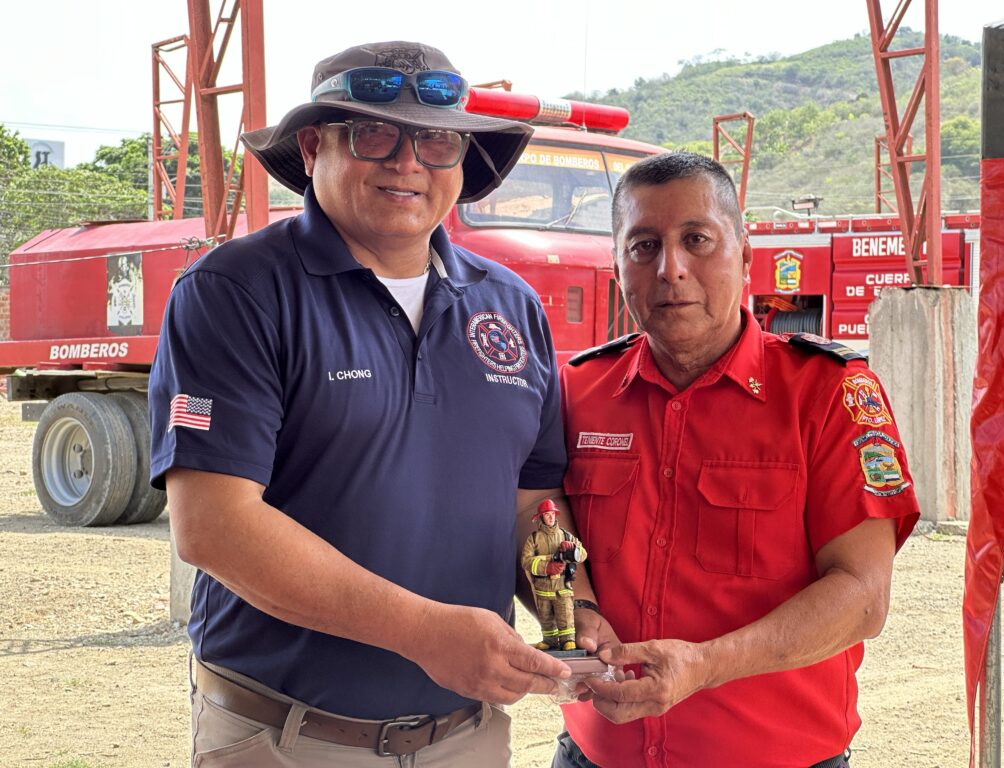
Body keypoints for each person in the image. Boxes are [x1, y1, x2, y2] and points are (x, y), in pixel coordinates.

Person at [149, 41, 573, 767]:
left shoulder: (511, 306)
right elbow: (215, 527)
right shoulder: (238, 292)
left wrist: (571, 622)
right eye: (375, 133)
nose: (408, 162)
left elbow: (533, 506)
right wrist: (425, 631)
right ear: (313, 148)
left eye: (437, 140)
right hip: (290, 738)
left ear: (462, 159)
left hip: (468, 739)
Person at [552, 152, 921, 768]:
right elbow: (543, 531)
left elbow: (862, 596)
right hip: (595, 754)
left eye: (697, 239)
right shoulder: (577, 392)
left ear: (746, 257)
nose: (671, 269)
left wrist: (705, 666)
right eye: (643, 246)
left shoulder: (830, 392)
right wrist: (576, 614)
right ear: (619, 268)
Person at [521, 499, 589, 651]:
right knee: (545, 617)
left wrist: (572, 548)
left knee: (565, 615)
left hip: (562, 588)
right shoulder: (533, 539)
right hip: (542, 588)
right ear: (541, 517)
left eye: (552, 514)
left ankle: (568, 640)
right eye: (547, 514)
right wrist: (546, 567)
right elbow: (526, 561)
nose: (550, 517)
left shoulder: (566, 536)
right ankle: (549, 640)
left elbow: (583, 554)